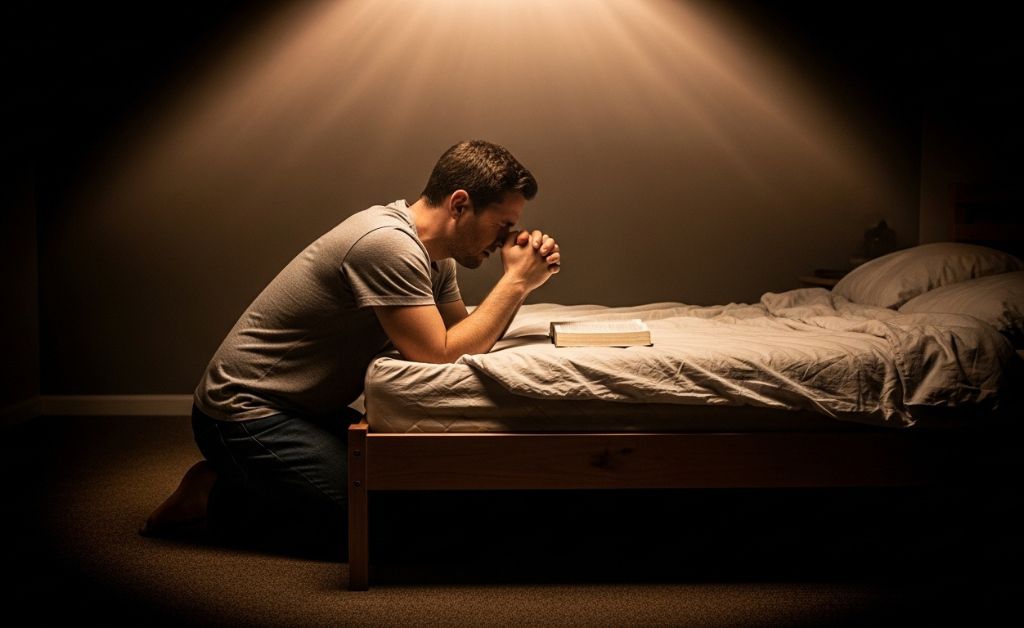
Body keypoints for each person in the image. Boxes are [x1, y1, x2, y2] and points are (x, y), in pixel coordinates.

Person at [141, 140, 561, 557]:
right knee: (376, 528)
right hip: (243, 411)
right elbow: (440, 353)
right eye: (502, 225)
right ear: (459, 204)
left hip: (305, 410)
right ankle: (211, 496)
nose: (510, 238)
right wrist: (516, 281)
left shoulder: (437, 258)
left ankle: (243, 478)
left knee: (410, 493)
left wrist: (521, 283)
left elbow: (469, 339)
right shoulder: (386, 244)